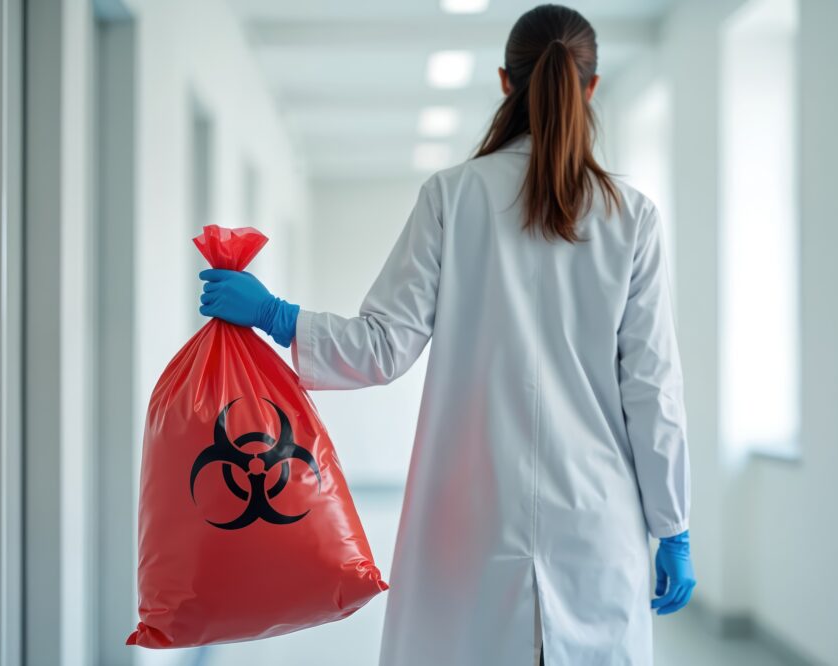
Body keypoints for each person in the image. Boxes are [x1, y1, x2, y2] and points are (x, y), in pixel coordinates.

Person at [198, 4, 694, 665]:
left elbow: (381, 349)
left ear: (503, 82)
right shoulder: (632, 218)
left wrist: (275, 314)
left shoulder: (453, 197)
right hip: (597, 528)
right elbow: (652, 391)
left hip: (472, 526)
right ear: (593, 86)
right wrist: (674, 527)